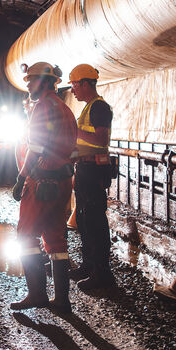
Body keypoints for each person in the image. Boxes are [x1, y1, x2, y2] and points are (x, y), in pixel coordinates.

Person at [10, 63, 77, 313]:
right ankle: (61, 300)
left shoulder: (42, 108)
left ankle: (37, 294)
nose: (27, 85)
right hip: (61, 182)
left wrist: (21, 176)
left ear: (46, 83)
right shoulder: (64, 108)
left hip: (42, 182)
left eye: (32, 80)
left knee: (26, 235)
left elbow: (36, 148)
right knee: (56, 239)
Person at [68, 63, 116, 289]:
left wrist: (72, 131)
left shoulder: (99, 108)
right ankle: (88, 266)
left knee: (95, 222)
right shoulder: (88, 108)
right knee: (85, 220)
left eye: (75, 85)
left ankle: (103, 274)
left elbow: (100, 140)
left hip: (94, 170)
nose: (73, 90)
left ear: (86, 84)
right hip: (85, 169)